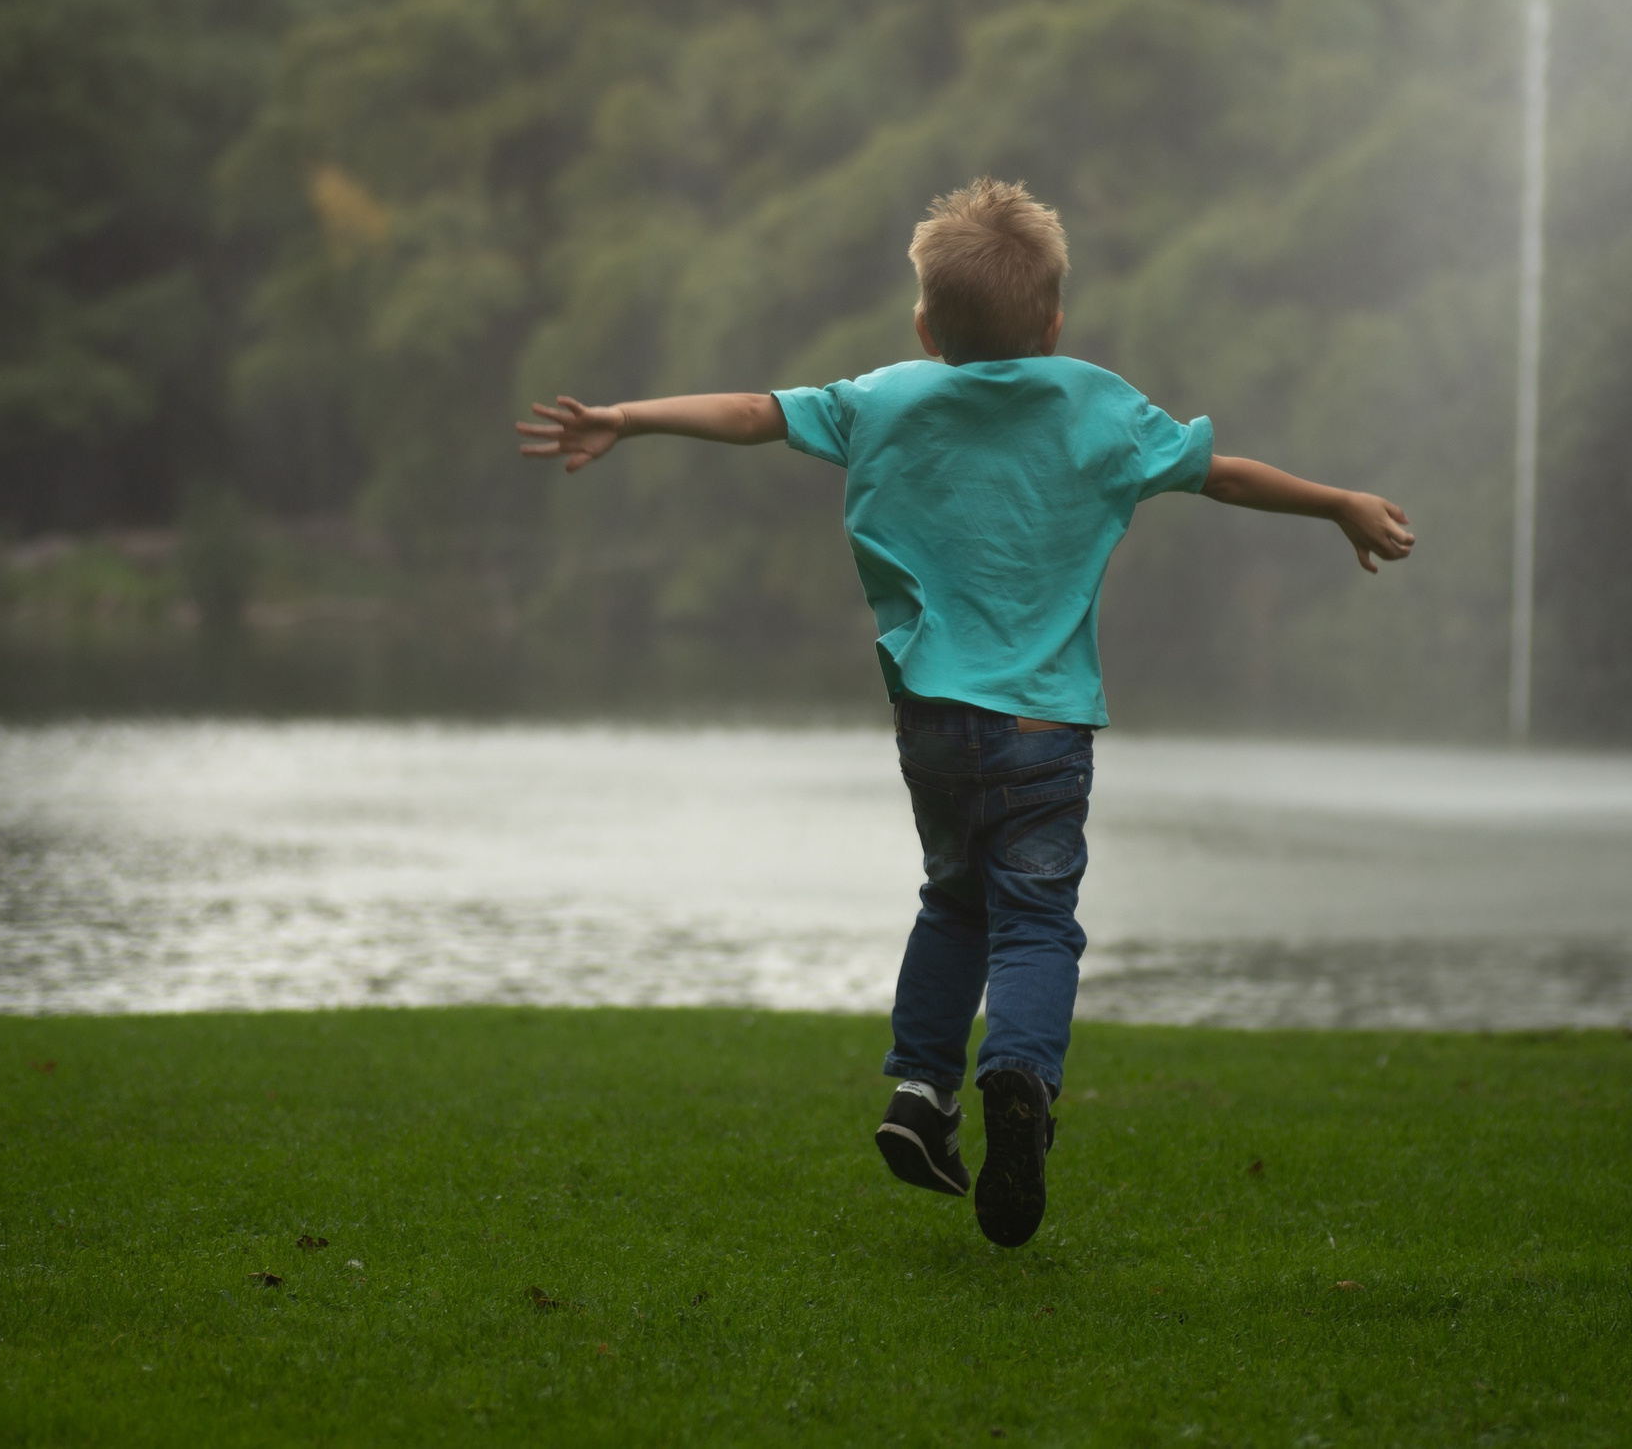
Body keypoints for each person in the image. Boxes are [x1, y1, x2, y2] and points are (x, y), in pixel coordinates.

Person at [515, 178, 1414, 1246]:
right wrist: (1335, 502)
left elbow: (754, 415)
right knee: (1034, 920)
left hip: (934, 725)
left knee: (953, 901)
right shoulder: (1096, 405)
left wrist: (626, 417)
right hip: (1043, 729)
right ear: (1054, 322)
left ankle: (921, 1092)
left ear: (925, 325)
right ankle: (1018, 1078)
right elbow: (1220, 478)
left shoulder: (886, 399)